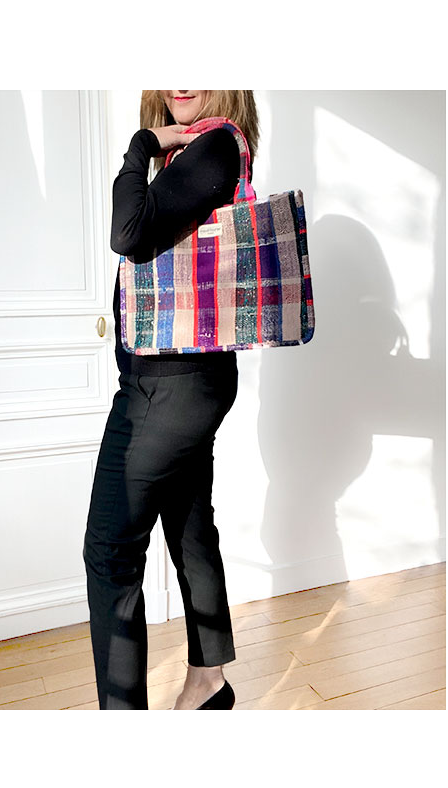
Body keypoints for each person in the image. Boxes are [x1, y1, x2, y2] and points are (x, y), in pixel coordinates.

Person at [83, 90, 260, 710]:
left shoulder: (213, 146)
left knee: (110, 551)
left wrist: (141, 145)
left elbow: (128, 233)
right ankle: (209, 681)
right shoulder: (210, 151)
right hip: (188, 380)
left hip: (166, 388)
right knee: (189, 528)